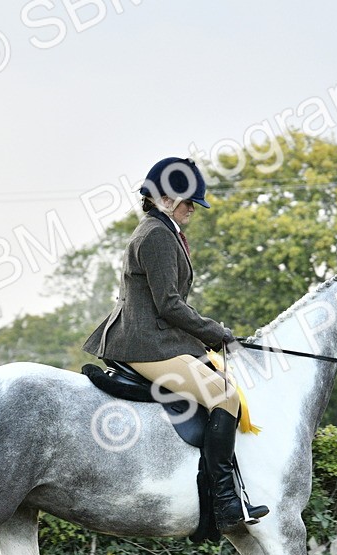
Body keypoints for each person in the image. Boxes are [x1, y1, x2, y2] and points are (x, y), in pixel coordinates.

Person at [83, 157, 267, 532]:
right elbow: (168, 304)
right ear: (167, 198)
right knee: (225, 397)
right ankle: (224, 501)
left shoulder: (160, 230)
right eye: (188, 203)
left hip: (156, 338)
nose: (192, 210)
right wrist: (215, 332)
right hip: (145, 344)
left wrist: (211, 335)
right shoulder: (155, 235)